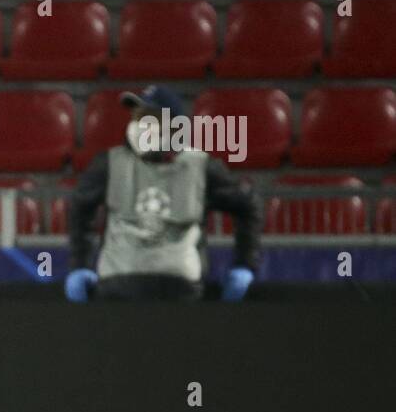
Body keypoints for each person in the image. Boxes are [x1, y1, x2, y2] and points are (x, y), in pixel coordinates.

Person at [66, 86, 263, 302]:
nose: (141, 126)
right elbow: (79, 207)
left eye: (152, 119)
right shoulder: (110, 164)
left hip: (181, 289)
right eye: (137, 118)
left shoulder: (200, 167)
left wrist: (245, 264)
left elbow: (248, 207)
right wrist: (80, 265)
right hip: (118, 286)